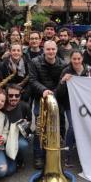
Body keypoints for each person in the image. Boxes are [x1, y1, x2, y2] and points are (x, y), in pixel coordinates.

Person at [28, 40, 66, 169]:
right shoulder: (34, 62)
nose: (51, 52)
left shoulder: (62, 64)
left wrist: (53, 93)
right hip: (41, 97)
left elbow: (62, 83)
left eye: (53, 49)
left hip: (56, 97)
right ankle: (38, 156)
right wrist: (44, 90)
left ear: (56, 50)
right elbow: (32, 80)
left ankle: (56, 154)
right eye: (48, 49)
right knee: (40, 126)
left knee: (59, 125)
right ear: (43, 49)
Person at [56, 50, 91, 166]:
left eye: (78, 59)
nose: (76, 61)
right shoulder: (66, 71)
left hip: (86, 105)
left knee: (87, 127)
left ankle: (85, 153)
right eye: (74, 59)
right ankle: (68, 154)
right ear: (71, 59)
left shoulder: (89, 70)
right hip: (70, 105)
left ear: (82, 59)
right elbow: (59, 93)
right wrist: (62, 81)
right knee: (72, 126)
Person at [3, 84, 32, 168]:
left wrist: (26, 124)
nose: (14, 98)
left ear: (20, 96)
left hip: (18, 136)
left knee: (23, 145)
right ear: (6, 96)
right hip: (4, 135)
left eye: (17, 95)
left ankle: (20, 159)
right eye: (11, 95)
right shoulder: (1, 106)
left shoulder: (25, 106)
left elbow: (29, 123)